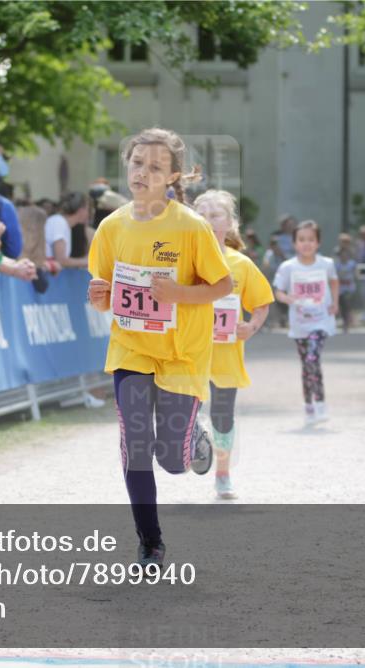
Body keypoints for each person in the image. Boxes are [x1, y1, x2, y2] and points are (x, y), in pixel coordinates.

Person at [87, 127, 232, 568]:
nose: (142, 173)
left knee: (171, 461)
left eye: (154, 167)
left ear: (173, 177)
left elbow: (222, 284)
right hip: (131, 350)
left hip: (181, 356)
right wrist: (99, 295)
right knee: (135, 444)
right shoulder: (112, 227)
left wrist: (178, 295)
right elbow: (105, 288)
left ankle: (195, 439)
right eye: (136, 164)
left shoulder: (191, 227)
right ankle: (151, 543)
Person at [193, 190, 273, 500]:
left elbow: (262, 302)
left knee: (222, 415)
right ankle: (193, 441)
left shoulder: (241, 264)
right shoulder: (185, 260)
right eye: (202, 216)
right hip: (191, 353)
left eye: (216, 216)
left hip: (226, 354)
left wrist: (250, 326)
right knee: (185, 408)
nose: (209, 222)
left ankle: (223, 474)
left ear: (230, 223)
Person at [273, 220, 339, 426]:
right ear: (294, 243)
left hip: (321, 321)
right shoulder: (288, 267)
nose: (306, 244)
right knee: (307, 365)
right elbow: (278, 291)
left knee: (312, 359)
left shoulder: (326, 264)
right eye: (302, 239)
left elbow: (334, 281)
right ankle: (309, 406)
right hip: (300, 322)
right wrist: (288, 298)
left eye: (311, 239)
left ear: (318, 242)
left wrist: (335, 303)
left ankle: (321, 404)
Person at [45, 192, 90, 270]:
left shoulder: (63, 224)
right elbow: (61, 260)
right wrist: (87, 261)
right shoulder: (59, 222)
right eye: (87, 209)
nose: (88, 213)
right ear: (81, 210)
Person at [334, 233, 357, 333]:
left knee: (347, 303)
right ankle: (345, 321)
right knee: (342, 305)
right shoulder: (337, 262)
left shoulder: (352, 262)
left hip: (349, 287)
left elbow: (356, 273)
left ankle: (347, 322)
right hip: (340, 288)